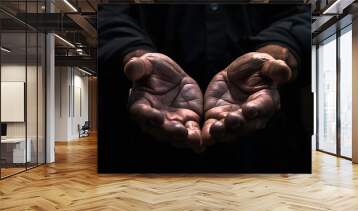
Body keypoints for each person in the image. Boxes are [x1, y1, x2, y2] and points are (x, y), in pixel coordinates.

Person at [98, 3, 312, 173]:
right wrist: (135, 55)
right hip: (140, 148)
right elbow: (109, 13)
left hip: (267, 149)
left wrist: (276, 53)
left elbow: (300, 13)